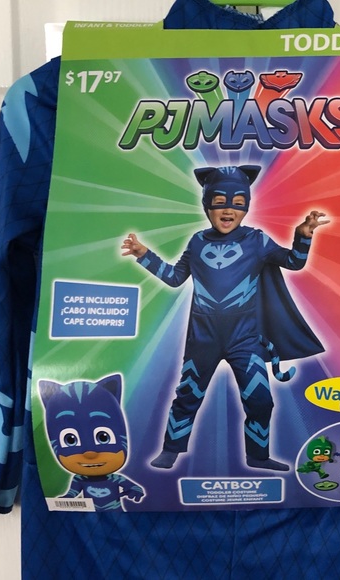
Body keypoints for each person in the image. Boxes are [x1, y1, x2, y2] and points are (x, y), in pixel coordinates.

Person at [122, 164, 329, 470]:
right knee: (187, 396)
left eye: (238, 202)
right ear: (207, 206)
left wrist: (303, 237)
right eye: (219, 202)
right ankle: (171, 449)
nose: (228, 209)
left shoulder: (257, 241)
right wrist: (144, 255)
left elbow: (293, 262)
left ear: (246, 206)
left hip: (246, 339)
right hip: (202, 339)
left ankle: (257, 456)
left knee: (260, 400)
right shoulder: (197, 242)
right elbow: (175, 278)